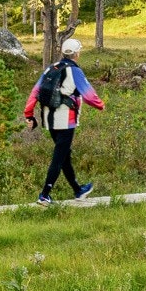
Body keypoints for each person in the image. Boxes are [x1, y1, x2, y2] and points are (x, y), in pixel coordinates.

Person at [23, 37, 104, 205]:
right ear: (77, 53)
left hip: (49, 120)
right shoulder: (74, 70)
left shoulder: (50, 68)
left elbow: (35, 92)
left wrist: (29, 114)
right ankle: (45, 194)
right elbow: (89, 95)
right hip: (66, 120)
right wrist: (101, 105)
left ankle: (78, 190)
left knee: (64, 155)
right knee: (59, 157)